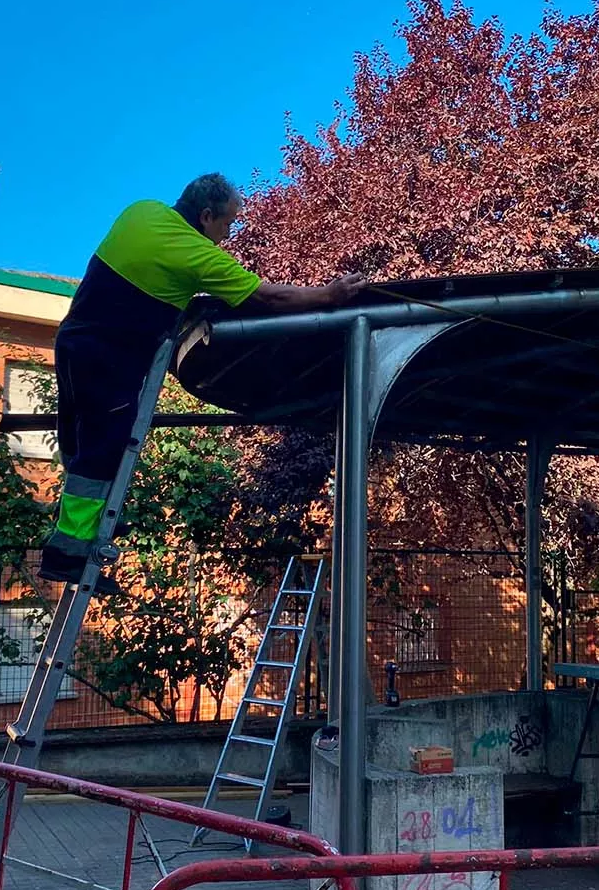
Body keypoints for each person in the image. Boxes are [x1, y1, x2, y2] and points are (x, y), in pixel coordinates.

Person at [39, 173, 366, 589]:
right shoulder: (197, 256)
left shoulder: (141, 211)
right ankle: (69, 552)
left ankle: (80, 531)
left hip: (72, 341)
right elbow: (269, 298)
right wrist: (328, 295)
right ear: (206, 215)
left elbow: (153, 276)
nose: (227, 235)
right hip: (111, 359)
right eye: (227, 223)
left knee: (81, 442)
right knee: (104, 451)